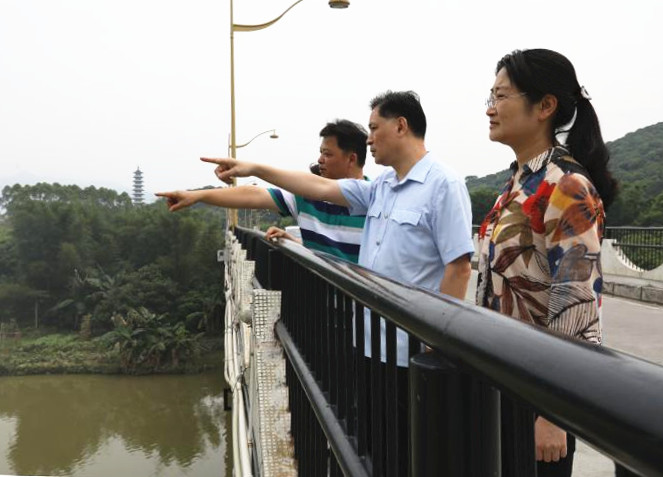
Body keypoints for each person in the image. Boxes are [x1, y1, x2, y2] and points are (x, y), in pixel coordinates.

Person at [201, 90, 474, 476]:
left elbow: (459, 267)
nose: (369, 139)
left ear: (401, 126)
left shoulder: (443, 184)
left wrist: (435, 345)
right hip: (370, 342)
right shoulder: (382, 187)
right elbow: (317, 187)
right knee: (375, 445)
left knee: (408, 450)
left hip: (410, 352)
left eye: (375, 128)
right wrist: (255, 168)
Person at [476, 49, 618, 476]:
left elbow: (577, 303)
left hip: (538, 397)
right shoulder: (518, 182)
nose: (490, 108)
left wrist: (554, 413)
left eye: (501, 96)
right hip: (504, 381)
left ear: (545, 106)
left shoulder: (567, 186)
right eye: (491, 96)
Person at [156, 119, 369, 263]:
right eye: (320, 153)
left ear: (351, 158)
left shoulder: (375, 200)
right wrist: (197, 196)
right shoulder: (307, 198)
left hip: (365, 313)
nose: (320, 160)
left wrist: (254, 169)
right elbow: (254, 195)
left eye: (327, 154)